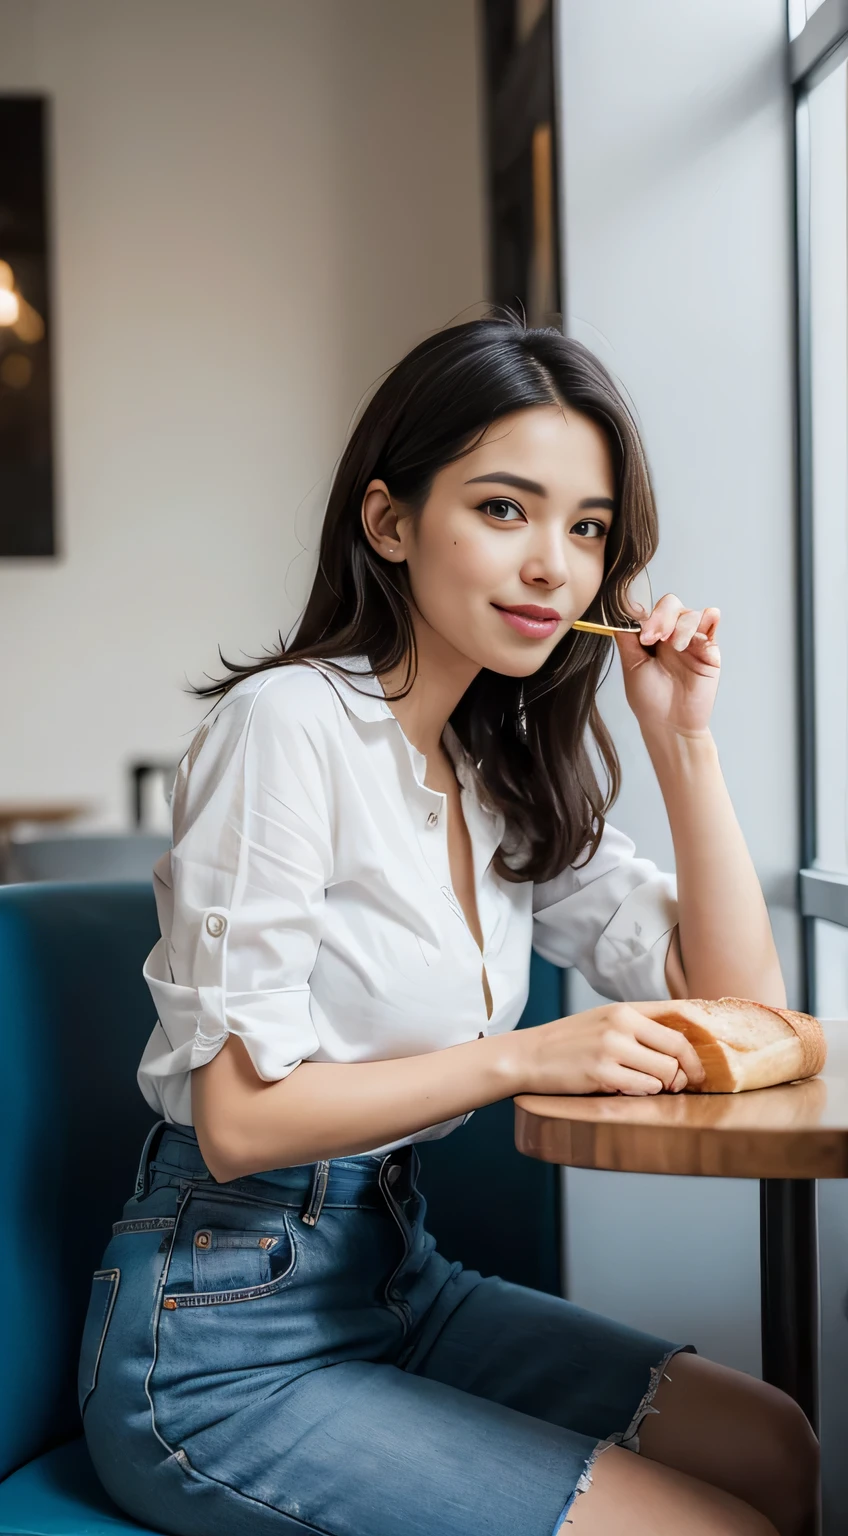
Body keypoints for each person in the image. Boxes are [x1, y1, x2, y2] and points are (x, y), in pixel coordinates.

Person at [78, 316, 818, 1536]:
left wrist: (679, 737)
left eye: (585, 530)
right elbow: (236, 1123)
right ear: (388, 523)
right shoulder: (289, 725)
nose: (552, 567)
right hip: (217, 1338)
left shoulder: (487, 766)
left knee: (771, 1446)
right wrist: (526, 1053)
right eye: (501, 509)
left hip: (395, 1275)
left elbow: (741, 1007)